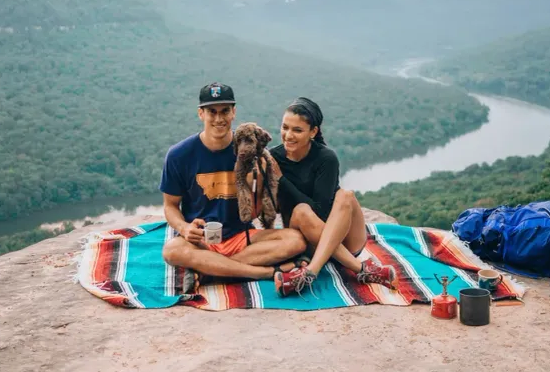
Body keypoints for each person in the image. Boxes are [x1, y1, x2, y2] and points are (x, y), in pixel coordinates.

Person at [160, 82, 307, 293]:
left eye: (225, 111)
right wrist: (184, 228)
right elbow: (170, 206)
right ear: (201, 114)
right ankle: (264, 273)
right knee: (172, 250)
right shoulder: (179, 155)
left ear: (234, 112)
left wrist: (256, 180)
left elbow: (254, 213)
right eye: (212, 112)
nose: (219, 119)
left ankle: (209, 271)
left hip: (241, 236)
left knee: (296, 240)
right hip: (202, 240)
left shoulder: (249, 149)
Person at [269, 97, 398, 297]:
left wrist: (282, 180)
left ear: (313, 132)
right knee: (302, 211)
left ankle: (310, 272)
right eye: (285, 127)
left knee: (346, 195)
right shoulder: (274, 158)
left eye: (297, 130)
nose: (288, 135)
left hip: (342, 240)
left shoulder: (325, 158)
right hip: (306, 242)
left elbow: (320, 212)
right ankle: (362, 269)